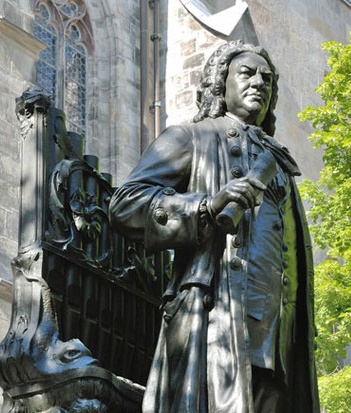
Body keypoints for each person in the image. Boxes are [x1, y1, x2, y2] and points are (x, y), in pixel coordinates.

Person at [109, 40, 319, 413]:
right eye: (248, 73)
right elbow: (125, 205)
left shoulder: (280, 164)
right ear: (221, 83)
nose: (259, 83)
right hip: (217, 320)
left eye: (267, 79)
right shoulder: (192, 137)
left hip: (280, 340)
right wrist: (206, 206)